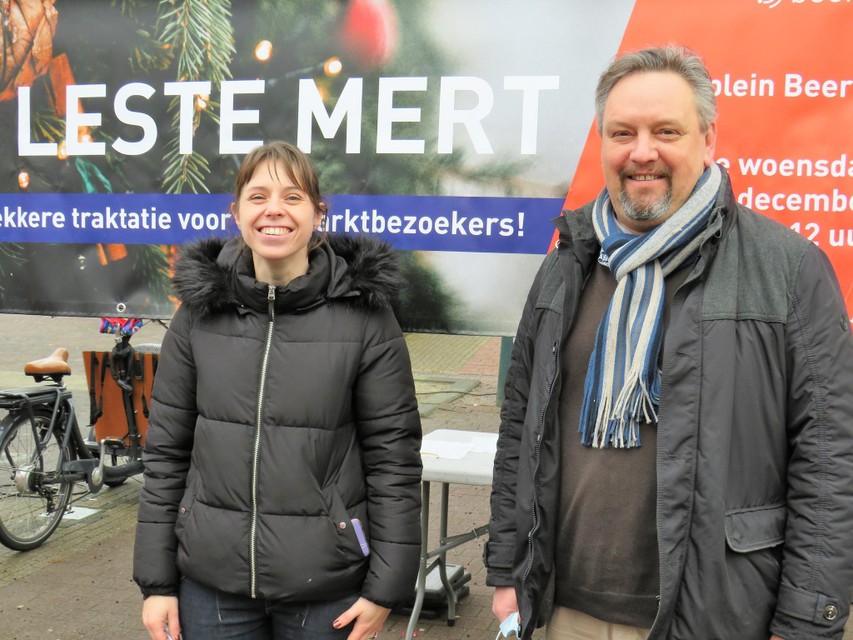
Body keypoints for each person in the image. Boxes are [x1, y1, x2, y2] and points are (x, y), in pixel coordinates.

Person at [484, 45, 853, 640]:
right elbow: (519, 426)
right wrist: (507, 569)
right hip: (562, 610)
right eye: (622, 132)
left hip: (714, 614)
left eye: (666, 131)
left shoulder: (789, 269)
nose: (642, 152)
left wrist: (808, 618)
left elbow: (832, 459)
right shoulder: (568, 262)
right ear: (602, 142)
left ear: (708, 139)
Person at [133, 140, 423, 640]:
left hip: (326, 588)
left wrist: (385, 589)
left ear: (317, 214)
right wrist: (157, 583)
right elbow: (165, 454)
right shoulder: (197, 317)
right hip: (212, 587)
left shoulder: (367, 318)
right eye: (258, 195)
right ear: (237, 212)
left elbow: (393, 461)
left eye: (292, 197)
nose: (274, 210)